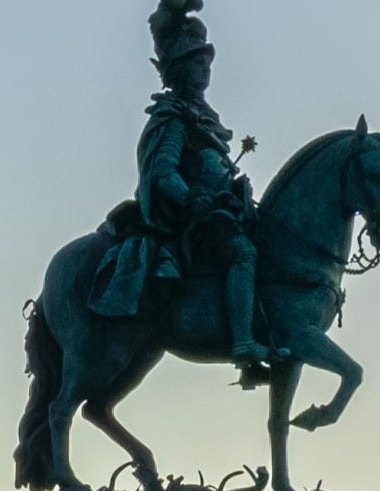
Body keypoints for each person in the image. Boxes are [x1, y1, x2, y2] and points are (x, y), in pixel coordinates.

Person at [109, 0, 277, 372]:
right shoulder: (174, 118)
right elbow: (162, 172)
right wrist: (192, 198)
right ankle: (243, 344)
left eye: (207, 62)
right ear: (182, 69)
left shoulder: (203, 118)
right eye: (199, 62)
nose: (206, 69)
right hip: (191, 216)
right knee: (242, 253)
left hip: (221, 207)